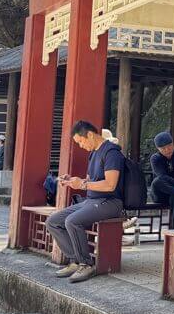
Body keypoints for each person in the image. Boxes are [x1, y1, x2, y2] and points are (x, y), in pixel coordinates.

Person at [46, 120, 126, 283]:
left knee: (72, 221)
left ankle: (86, 264)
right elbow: (91, 181)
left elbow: (110, 185)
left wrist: (82, 184)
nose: (81, 146)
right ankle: (75, 261)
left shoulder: (111, 152)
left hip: (111, 202)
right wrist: (72, 181)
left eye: (81, 141)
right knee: (53, 221)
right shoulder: (93, 153)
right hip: (92, 200)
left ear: (90, 135)